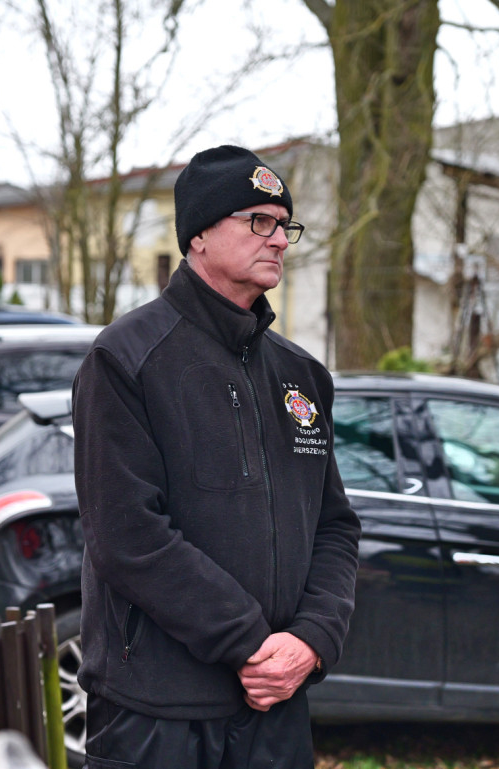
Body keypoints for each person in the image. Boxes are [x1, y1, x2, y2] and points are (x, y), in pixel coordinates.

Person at [72, 145, 361, 768]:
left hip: (273, 707)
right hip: (156, 711)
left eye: (285, 224)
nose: (280, 239)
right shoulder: (126, 359)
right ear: (198, 234)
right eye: (259, 221)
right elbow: (127, 535)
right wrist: (253, 645)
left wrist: (310, 643)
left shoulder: (302, 374)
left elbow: (333, 528)